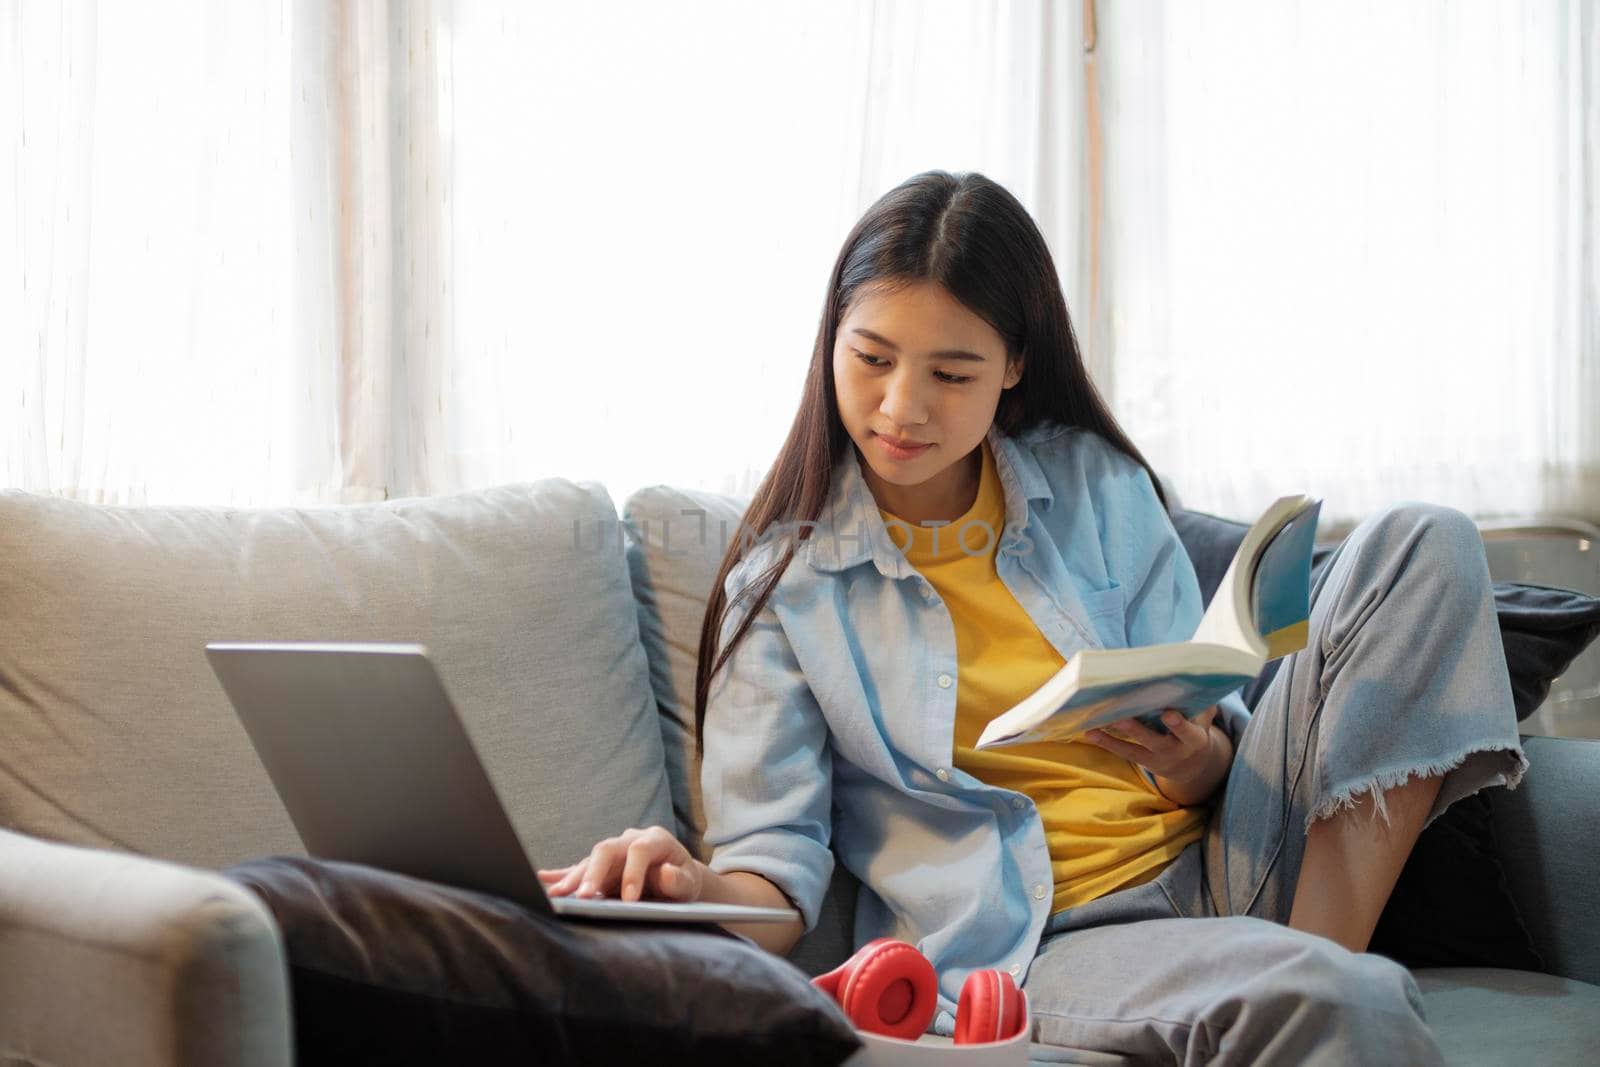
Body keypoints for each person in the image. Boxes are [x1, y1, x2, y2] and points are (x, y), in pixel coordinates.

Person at [537, 170, 1527, 1063]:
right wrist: (682, 886)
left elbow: (1214, 737)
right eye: (871, 357)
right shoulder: (785, 591)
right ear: (828, 344)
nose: (901, 405)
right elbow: (775, 881)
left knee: (1423, 538)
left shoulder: (1094, 483)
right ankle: (1305, 982)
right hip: (1051, 937)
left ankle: (1300, 957)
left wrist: (1193, 755)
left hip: (1232, 852)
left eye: (951, 372)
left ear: (1013, 363)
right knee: (1340, 999)